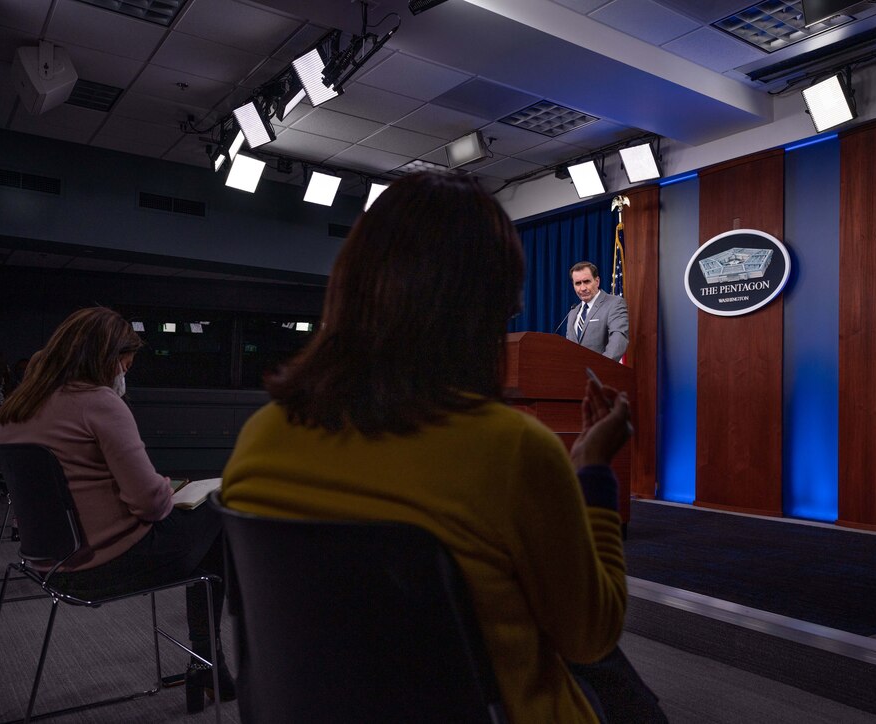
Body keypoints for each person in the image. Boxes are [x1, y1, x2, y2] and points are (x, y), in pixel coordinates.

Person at [221, 172, 665, 723]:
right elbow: (590, 635)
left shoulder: (262, 435)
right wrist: (593, 472)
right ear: (487, 306)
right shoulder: (512, 451)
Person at [0, 307, 234, 713]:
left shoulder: (14, 410)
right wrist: (163, 488)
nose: (126, 372)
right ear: (106, 357)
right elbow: (151, 504)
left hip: (47, 565)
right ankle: (209, 661)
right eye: (126, 362)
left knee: (206, 541)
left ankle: (209, 664)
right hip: (106, 565)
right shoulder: (99, 402)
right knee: (221, 509)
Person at [565, 262, 629, 361]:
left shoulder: (614, 304)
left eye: (587, 282)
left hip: (601, 374)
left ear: (597, 281)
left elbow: (618, 340)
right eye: (578, 283)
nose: (582, 288)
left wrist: (600, 368)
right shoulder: (573, 312)